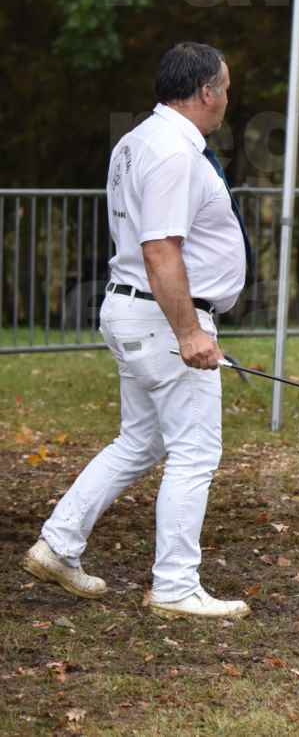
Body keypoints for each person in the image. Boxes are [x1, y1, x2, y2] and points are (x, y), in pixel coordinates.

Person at [22, 42, 251, 619]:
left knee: (140, 441)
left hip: (136, 311)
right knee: (195, 452)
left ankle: (59, 544)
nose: (227, 98)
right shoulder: (174, 152)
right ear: (205, 91)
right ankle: (175, 586)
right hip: (162, 315)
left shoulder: (138, 140)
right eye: (224, 87)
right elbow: (160, 249)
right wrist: (190, 332)